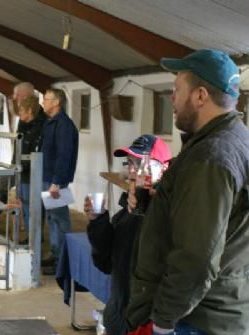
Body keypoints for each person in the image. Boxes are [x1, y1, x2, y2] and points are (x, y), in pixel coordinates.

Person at [126, 49, 249, 335]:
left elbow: (197, 257)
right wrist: (161, 201)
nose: (172, 98)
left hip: (194, 318)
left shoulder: (210, 157)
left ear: (201, 96)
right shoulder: (236, 140)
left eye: (176, 89)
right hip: (221, 308)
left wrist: (163, 322)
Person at [85, 134, 171, 335]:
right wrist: (98, 221)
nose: (133, 170)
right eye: (130, 162)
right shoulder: (125, 214)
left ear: (164, 169)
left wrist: (150, 204)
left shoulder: (172, 214)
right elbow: (105, 263)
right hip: (119, 319)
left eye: (141, 163)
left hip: (147, 324)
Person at [40, 88, 79, 275]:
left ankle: (64, 259)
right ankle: (56, 254)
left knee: (60, 218)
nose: (43, 103)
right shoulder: (52, 123)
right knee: (52, 217)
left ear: (56, 102)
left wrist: (56, 182)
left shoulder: (63, 125)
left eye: (46, 99)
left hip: (55, 180)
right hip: (48, 177)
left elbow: (64, 155)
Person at [16, 95, 46, 240]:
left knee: (33, 207)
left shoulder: (41, 127)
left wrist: (25, 165)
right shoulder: (23, 125)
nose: (19, 113)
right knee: (25, 206)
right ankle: (30, 236)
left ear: (29, 110)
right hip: (23, 170)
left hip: (32, 172)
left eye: (21, 110)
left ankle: (34, 238)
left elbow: (37, 150)